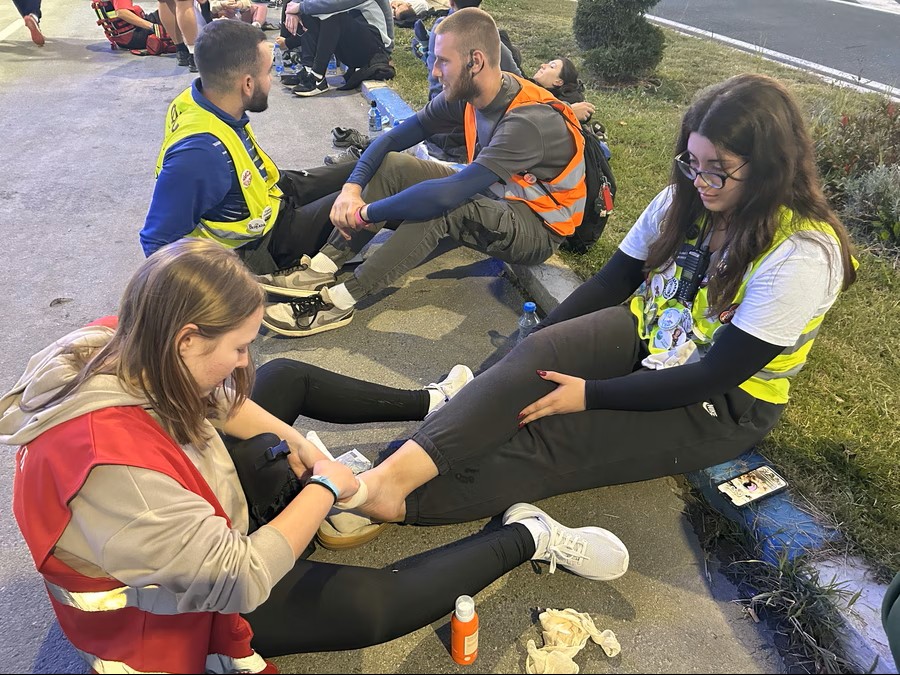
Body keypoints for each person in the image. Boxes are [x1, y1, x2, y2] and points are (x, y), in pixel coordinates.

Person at [0, 239, 630, 673]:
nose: (244, 361)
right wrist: (324, 487)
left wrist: (300, 446)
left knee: (284, 380)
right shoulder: (120, 474)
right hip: (170, 610)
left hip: (174, 519)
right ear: (187, 338)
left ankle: (433, 401)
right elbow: (239, 577)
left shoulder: (121, 339)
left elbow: (218, 402)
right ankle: (527, 535)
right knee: (374, 606)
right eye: (239, 346)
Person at [310, 73, 859, 548]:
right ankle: (387, 474)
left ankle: (393, 501)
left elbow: (712, 375)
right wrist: (531, 353)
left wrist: (591, 394)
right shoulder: (685, 198)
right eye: (692, 162)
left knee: (550, 439)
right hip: (649, 333)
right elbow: (612, 281)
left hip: (720, 400)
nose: (700, 181)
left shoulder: (802, 255)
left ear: (770, 168)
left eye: (719, 170)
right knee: (533, 362)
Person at [259, 8, 587, 338]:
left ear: (475, 61)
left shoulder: (527, 122)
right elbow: (391, 140)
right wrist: (352, 189)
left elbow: (446, 195)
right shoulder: (470, 93)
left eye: (443, 61)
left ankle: (340, 301)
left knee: (441, 208)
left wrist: (364, 214)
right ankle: (321, 269)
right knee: (394, 165)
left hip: (537, 228)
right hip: (494, 198)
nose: (434, 71)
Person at [141, 19, 353, 279]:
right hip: (263, 247)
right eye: (268, 72)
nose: (271, 80)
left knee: (365, 168)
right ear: (248, 84)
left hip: (270, 196)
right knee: (378, 184)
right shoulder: (201, 154)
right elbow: (157, 242)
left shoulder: (199, 99)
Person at [278, 0, 393, 96]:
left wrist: (299, 7)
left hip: (377, 49)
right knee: (311, 9)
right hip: (355, 45)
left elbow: (336, 4)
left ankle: (317, 77)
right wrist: (292, 10)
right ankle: (309, 70)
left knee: (331, 12)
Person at [531, 57, 595, 123]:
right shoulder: (527, 85)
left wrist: (567, 112)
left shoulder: (552, 101)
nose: (542, 65)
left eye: (552, 66)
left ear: (559, 82)